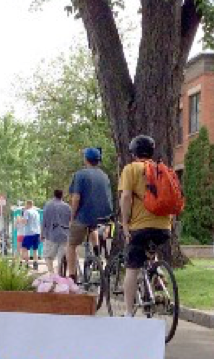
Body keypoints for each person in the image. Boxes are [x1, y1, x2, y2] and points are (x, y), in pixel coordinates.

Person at [118, 135, 173, 317]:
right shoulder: (161, 169)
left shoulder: (131, 169)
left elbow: (126, 197)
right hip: (164, 227)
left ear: (133, 153)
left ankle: (127, 312)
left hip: (140, 227)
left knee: (132, 267)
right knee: (150, 251)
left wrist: (125, 223)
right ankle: (156, 276)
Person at [66, 147, 113, 282]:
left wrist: (72, 216)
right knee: (93, 227)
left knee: (71, 244)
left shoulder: (80, 174)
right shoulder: (104, 175)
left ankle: (72, 276)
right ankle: (97, 253)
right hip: (103, 216)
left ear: (86, 159)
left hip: (84, 216)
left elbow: (76, 198)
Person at [41, 189, 72, 274]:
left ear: (54, 195)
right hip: (65, 235)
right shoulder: (67, 207)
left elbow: (44, 221)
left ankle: (52, 274)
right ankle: (60, 274)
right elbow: (71, 221)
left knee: (48, 256)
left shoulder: (48, 205)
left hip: (51, 234)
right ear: (62, 195)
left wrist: (42, 234)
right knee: (61, 257)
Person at [19, 199, 41, 269]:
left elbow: (25, 222)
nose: (25, 206)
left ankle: (25, 263)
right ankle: (35, 264)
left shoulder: (27, 212)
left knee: (25, 248)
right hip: (37, 232)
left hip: (29, 233)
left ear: (28, 204)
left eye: (26, 204)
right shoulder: (37, 212)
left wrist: (20, 220)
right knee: (35, 249)